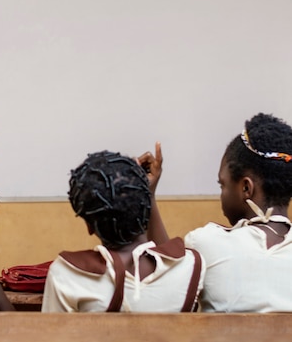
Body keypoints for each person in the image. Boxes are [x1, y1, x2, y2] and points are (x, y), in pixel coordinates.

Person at [42, 145, 205, 313]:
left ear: (89, 226)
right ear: (144, 209)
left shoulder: (67, 276)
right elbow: (167, 256)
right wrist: (148, 195)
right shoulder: (191, 266)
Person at [184, 113, 292, 312]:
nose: (222, 194)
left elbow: (169, 288)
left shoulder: (206, 244)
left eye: (222, 185)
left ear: (245, 188)